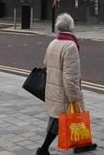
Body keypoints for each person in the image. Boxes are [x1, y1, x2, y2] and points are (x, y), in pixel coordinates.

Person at [37, 13, 95, 155]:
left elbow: (45, 64)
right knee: (59, 121)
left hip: (53, 88)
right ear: (71, 27)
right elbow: (70, 78)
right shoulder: (70, 46)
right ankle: (43, 150)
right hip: (63, 91)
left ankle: (83, 143)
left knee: (61, 118)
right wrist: (75, 97)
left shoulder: (53, 42)